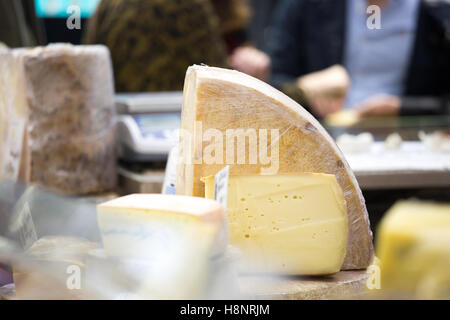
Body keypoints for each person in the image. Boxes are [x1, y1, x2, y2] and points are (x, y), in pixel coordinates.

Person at [267, 0, 450, 118]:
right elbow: (271, 81)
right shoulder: (305, 6)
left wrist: (403, 108)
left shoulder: (437, 13)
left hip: (412, 142)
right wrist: (303, 89)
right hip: (323, 138)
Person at [84, 0, 229, 92]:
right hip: (190, 116)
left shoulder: (110, 5)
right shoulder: (194, 6)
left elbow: (89, 69)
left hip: (120, 114)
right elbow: (219, 78)